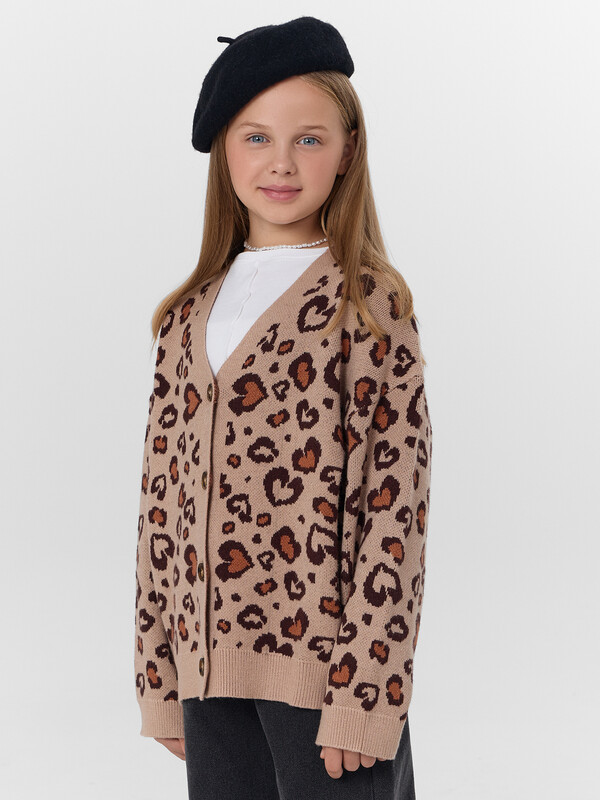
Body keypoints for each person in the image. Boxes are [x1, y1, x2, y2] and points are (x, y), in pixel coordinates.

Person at [133, 16, 432, 800]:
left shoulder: (367, 305)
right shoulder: (186, 316)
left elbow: (394, 510)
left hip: (327, 684)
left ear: (347, 151)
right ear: (224, 150)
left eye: (309, 139)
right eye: (257, 137)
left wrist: (368, 696)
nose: (282, 162)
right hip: (205, 676)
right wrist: (160, 675)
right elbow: (161, 504)